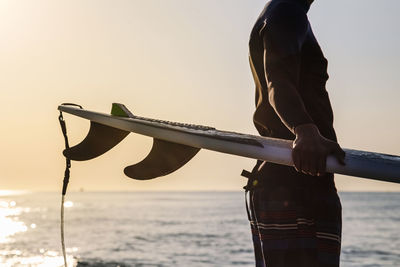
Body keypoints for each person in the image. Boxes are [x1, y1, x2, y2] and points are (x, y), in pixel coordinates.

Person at [245, 0, 346, 266]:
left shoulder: (280, 11)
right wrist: (304, 129)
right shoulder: (286, 12)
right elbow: (277, 81)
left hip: (287, 178)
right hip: (297, 182)